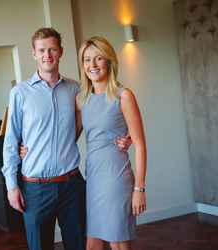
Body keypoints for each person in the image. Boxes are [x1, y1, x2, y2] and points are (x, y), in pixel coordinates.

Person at [2, 27, 131, 250]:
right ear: (33, 53)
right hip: (36, 189)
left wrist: (124, 137)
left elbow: (103, 115)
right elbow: (11, 142)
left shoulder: (77, 90)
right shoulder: (20, 93)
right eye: (42, 50)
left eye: (52, 49)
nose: (47, 55)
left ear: (61, 52)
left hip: (72, 185)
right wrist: (11, 186)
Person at [77, 36, 147, 250]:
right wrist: (28, 149)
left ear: (109, 61)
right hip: (94, 177)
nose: (93, 65)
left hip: (116, 176)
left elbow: (141, 144)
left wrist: (139, 189)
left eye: (98, 59)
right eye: (87, 60)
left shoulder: (123, 96)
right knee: (93, 242)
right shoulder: (81, 99)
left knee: (117, 241)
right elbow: (67, 138)